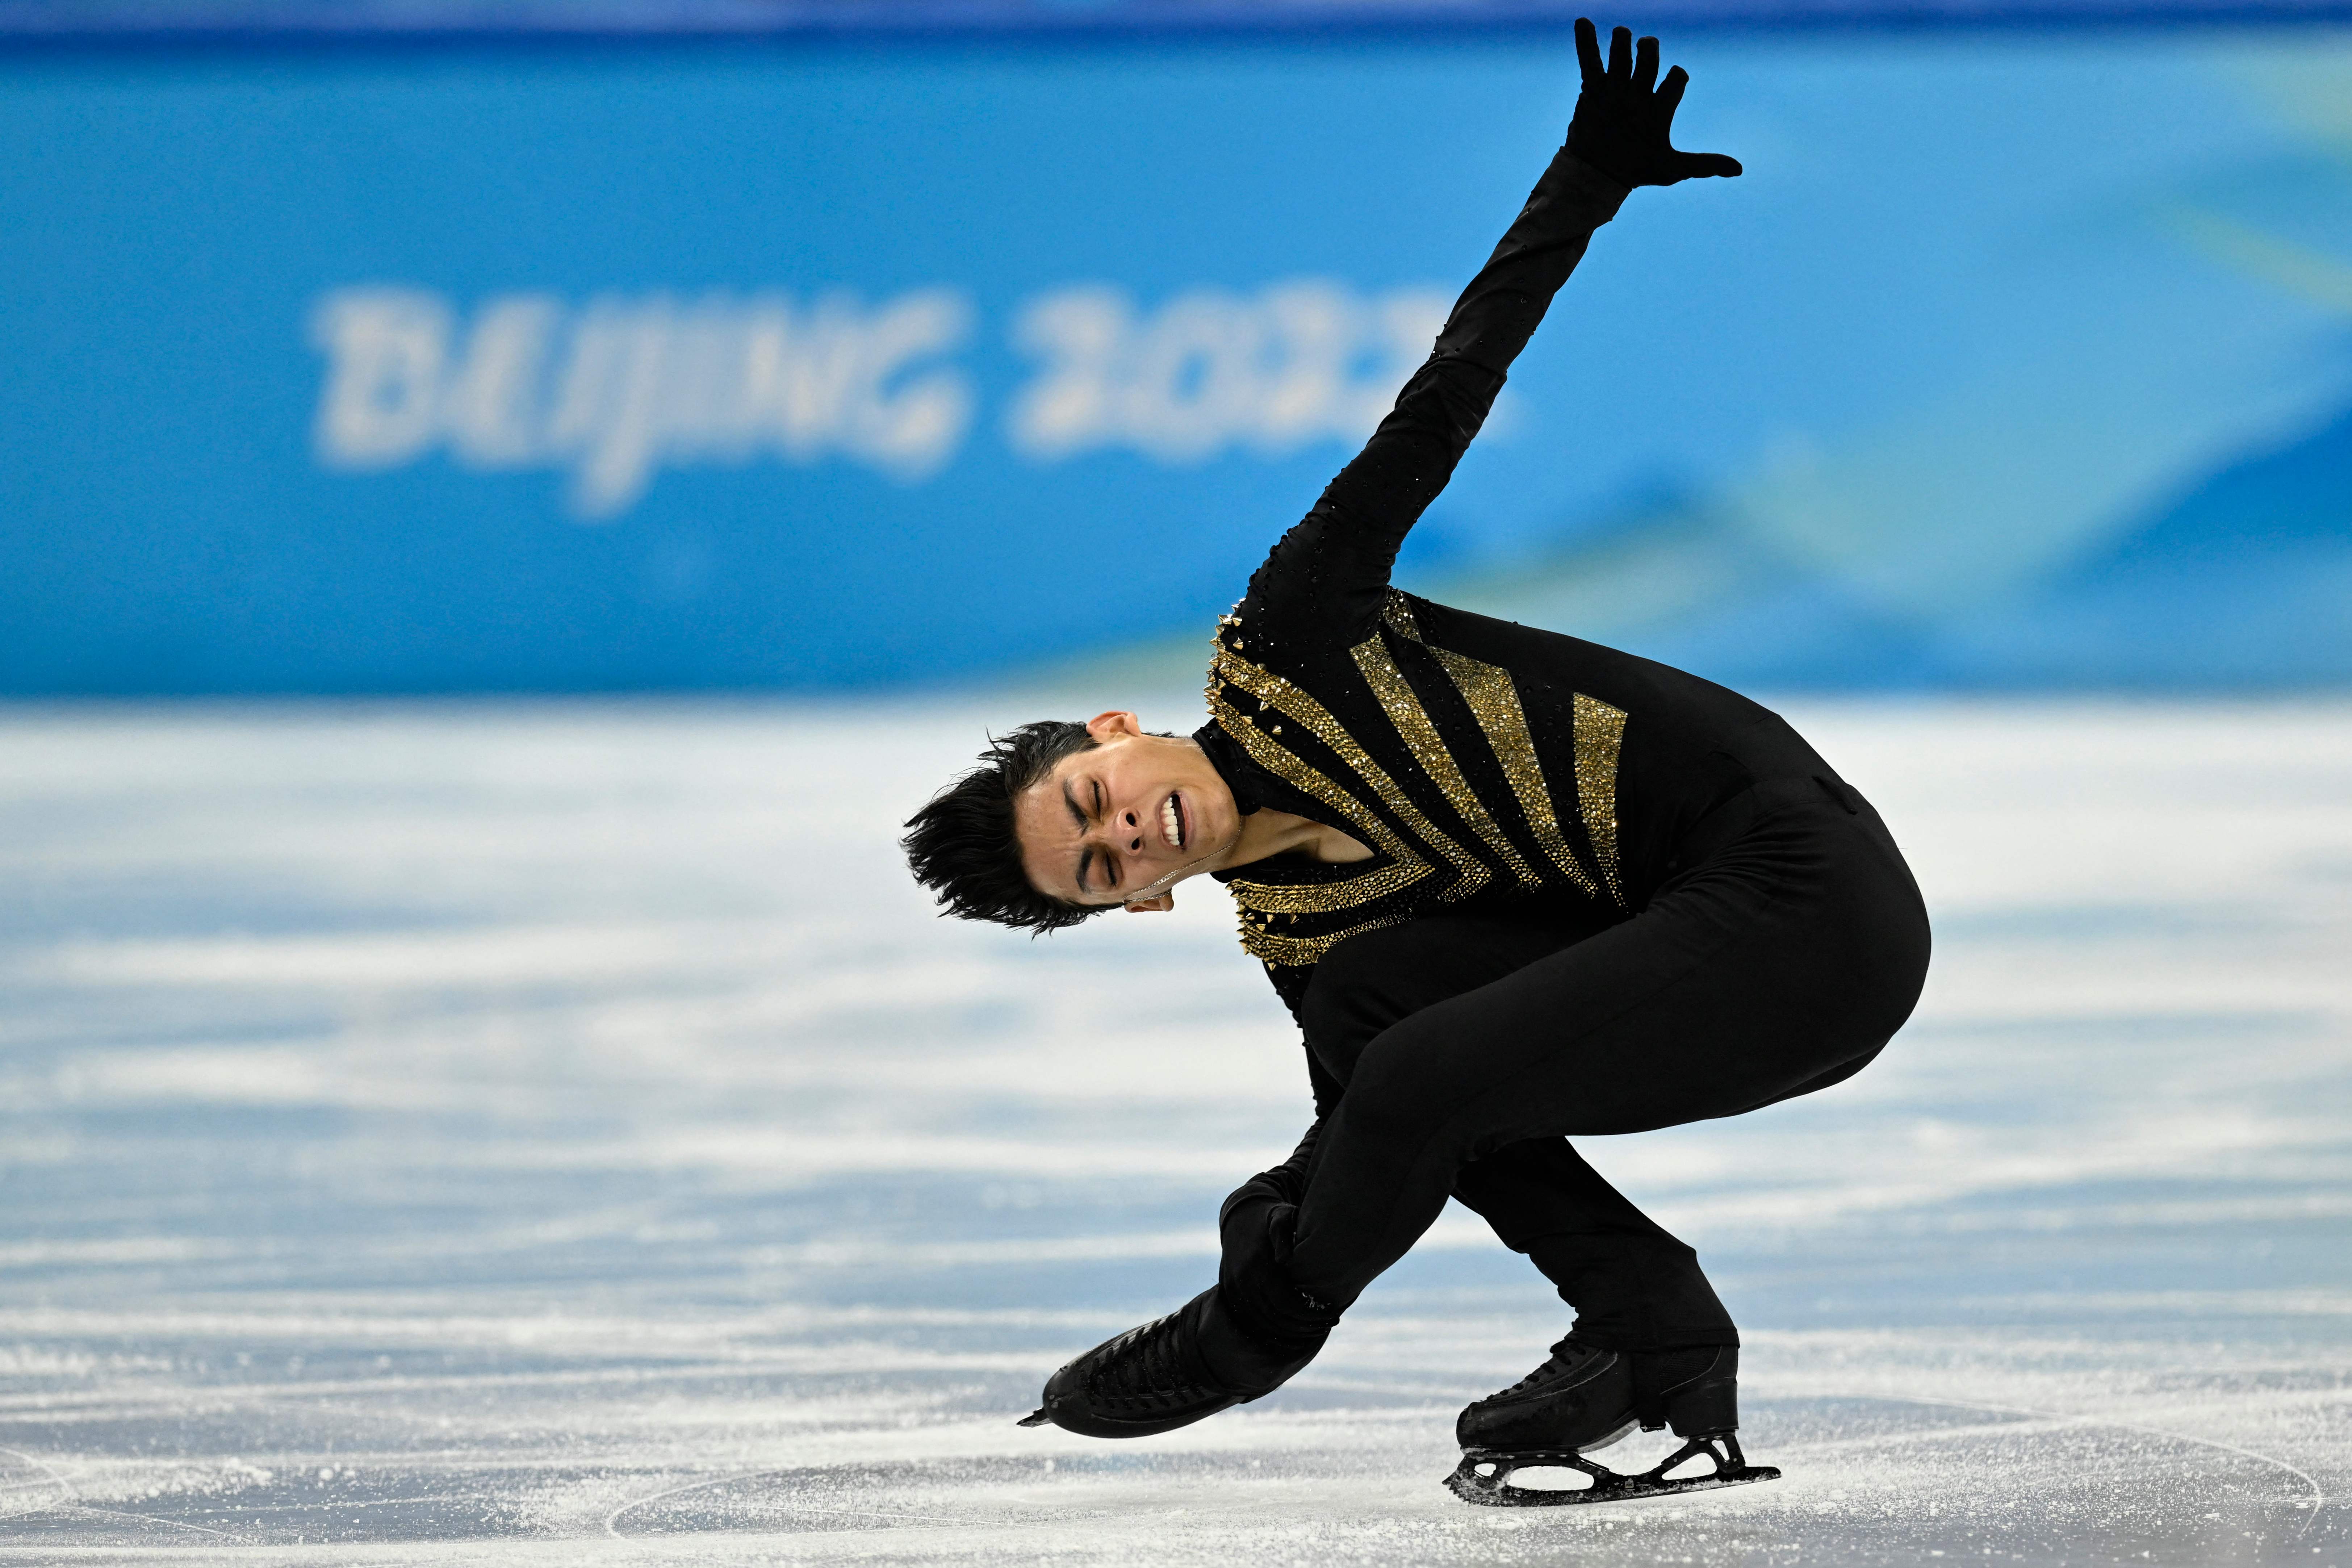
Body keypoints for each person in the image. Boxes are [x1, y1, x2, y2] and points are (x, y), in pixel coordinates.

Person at [901, 18, 1930, 1496]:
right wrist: (1297, 1186)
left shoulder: (1292, 636)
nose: (1124, 836)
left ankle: (1248, 1341)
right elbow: (1392, 1127)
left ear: (1113, 735)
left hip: (1806, 893)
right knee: (1392, 1041)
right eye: (1099, 871)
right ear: (1132, 908)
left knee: (1413, 1072)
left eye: (1091, 805)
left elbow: (1441, 399)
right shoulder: (1308, 944)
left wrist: (1580, 186)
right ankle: (1651, 1332)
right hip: (1700, 962)